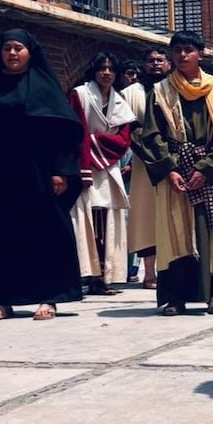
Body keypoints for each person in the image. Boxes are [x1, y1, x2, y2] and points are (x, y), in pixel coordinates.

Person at [0, 29, 84, 321]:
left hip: (39, 173)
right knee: (0, 237)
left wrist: (60, 171)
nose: (12, 53)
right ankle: (2, 299)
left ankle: (50, 297)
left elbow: (62, 132)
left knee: (44, 235)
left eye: (18, 48)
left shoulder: (43, 86)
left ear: (30, 52)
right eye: (7, 48)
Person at [133, 31, 213, 316]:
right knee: (175, 234)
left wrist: (205, 168)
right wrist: (169, 169)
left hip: (206, 170)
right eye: (176, 50)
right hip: (175, 170)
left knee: (208, 233)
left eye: (188, 50)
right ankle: (175, 297)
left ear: (200, 54)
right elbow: (151, 134)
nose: (182, 55)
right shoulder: (162, 90)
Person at [68, 52, 135, 296]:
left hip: (109, 168)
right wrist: (89, 154)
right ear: (94, 71)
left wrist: (96, 142)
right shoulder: (81, 94)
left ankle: (104, 276)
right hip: (85, 165)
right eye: (101, 68)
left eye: (111, 69)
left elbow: (123, 139)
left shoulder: (120, 102)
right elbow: (77, 130)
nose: (106, 73)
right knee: (86, 222)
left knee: (109, 222)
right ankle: (88, 275)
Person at [121, 47, 170, 289]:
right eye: (151, 60)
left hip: (173, 163)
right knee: (146, 218)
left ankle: (170, 270)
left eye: (160, 60)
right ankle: (149, 273)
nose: (156, 64)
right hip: (144, 165)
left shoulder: (174, 90)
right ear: (143, 65)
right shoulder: (131, 93)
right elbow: (127, 127)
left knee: (172, 216)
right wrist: (150, 152)